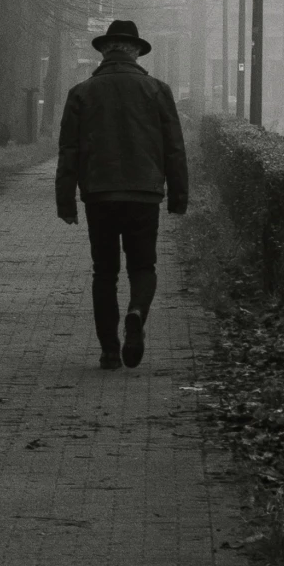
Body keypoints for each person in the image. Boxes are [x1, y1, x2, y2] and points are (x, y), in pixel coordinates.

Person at [55, 18, 188, 369]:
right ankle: (136, 313)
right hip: (144, 194)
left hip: (99, 194)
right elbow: (174, 148)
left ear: (104, 52)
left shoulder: (81, 92)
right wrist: (178, 196)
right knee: (143, 265)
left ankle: (110, 349)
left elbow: (69, 151)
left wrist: (65, 201)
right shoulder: (158, 90)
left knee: (104, 272)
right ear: (135, 53)